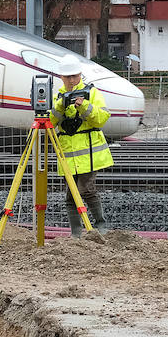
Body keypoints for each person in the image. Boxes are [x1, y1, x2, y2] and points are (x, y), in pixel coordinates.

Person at [50, 60, 112, 237]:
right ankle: (76, 233)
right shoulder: (59, 97)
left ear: (80, 75)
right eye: (67, 77)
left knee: (86, 190)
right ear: (61, 77)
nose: (71, 80)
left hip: (90, 154)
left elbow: (101, 119)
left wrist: (84, 106)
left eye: (74, 76)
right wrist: (60, 107)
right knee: (71, 196)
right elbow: (50, 122)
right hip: (68, 156)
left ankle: (101, 227)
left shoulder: (92, 93)